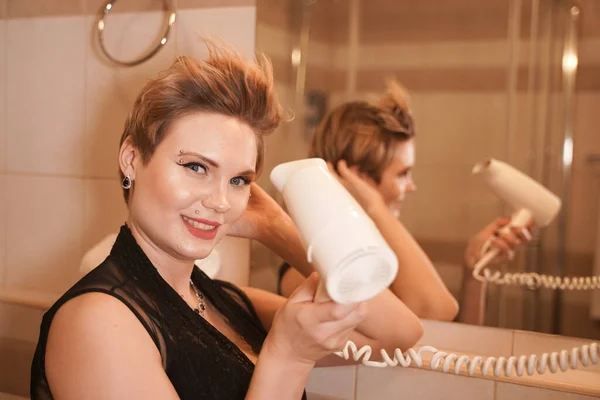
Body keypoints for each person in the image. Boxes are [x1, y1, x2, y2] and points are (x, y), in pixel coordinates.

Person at [30, 44, 424, 400]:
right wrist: (286, 357)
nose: (220, 201)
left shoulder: (225, 301)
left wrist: (277, 229)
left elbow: (399, 333)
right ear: (132, 159)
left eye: (239, 180)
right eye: (196, 166)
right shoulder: (95, 322)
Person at [278, 80, 533, 325]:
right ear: (356, 178)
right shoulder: (309, 271)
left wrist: (473, 270)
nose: (411, 186)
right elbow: (436, 310)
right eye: (402, 174)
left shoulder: (374, 250)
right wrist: (373, 206)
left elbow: (450, 344)